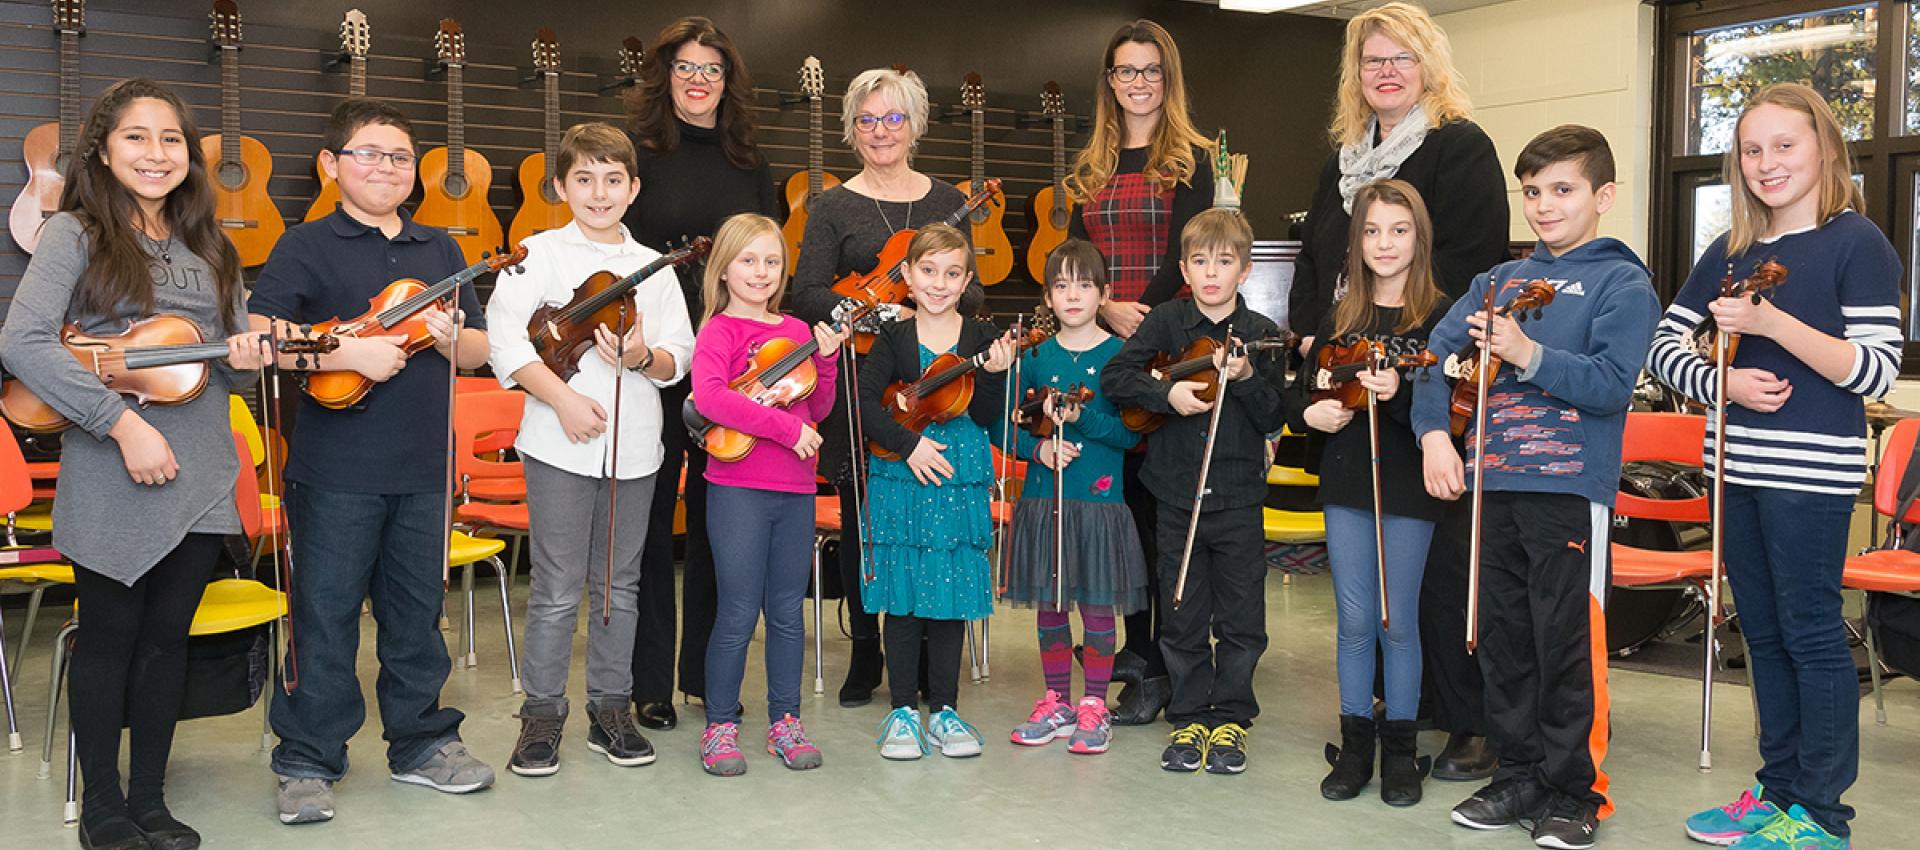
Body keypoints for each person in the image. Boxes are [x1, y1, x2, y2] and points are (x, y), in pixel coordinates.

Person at [0, 77, 270, 850]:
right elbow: (22, 344)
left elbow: (231, 368)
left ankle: (151, 799)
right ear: (103, 150)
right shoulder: (74, 235)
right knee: (110, 638)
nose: (157, 154)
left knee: (166, 644)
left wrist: (250, 355)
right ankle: (104, 807)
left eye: (172, 140)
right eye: (137, 137)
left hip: (203, 471)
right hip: (115, 463)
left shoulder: (212, 249)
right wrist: (119, 425)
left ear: (190, 157)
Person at [1658, 83, 1898, 850]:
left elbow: (1875, 372)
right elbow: (1662, 348)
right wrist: (1721, 381)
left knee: (1811, 633)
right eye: (1752, 150)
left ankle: (1823, 816)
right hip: (1734, 466)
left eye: (1784, 145)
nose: (1767, 164)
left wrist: (1770, 324)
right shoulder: (1731, 251)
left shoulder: (1858, 242)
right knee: (1760, 632)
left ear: (1825, 148)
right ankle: (1779, 791)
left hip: (1809, 474)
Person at [1411, 125, 1660, 849]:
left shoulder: (1623, 282)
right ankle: (1518, 771)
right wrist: (1433, 432)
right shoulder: (1496, 281)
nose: (1544, 206)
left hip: (1568, 490)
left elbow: (1612, 386)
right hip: (1495, 487)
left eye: (1562, 190)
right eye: (1532, 192)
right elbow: (1434, 357)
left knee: (1566, 646)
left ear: (1602, 196)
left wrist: (1528, 353)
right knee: (1505, 642)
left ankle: (1575, 791)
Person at [250, 97, 492, 825]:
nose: (387, 168)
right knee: (323, 617)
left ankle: (421, 744)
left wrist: (451, 337)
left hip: (422, 466)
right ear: (331, 165)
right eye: (369, 153)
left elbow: (479, 351)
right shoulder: (305, 244)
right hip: (333, 469)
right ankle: (306, 759)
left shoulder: (440, 249)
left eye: (399, 157)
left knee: (417, 618)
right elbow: (264, 334)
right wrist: (346, 351)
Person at [1289, 2, 1511, 778]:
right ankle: (1384, 720)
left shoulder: (1461, 146)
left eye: (1401, 59)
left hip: (1427, 382)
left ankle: (1465, 721)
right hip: (1348, 382)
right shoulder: (1344, 157)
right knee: (1366, 595)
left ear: (1429, 67)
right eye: (1371, 61)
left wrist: (1406, 344)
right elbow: (1319, 260)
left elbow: (1473, 265)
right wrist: (1321, 338)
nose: (1385, 72)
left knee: (1440, 571)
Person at [485, 122, 695, 778]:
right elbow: (506, 341)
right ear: (560, 186)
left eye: (612, 180)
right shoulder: (538, 253)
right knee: (553, 588)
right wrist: (564, 401)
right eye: (583, 179)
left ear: (632, 189)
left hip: (634, 450)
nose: (598, 193)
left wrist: (644, 355)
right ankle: (542, 715)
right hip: (555, 445)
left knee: (618, 586)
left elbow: (678, 355)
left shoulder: (653, 268)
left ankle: (612, 709)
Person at [788, 66, 981, 708]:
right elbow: (807, 290)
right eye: (867, 120)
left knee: (932, 514)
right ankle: (868, 649)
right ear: (851, 129)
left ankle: (928, 654)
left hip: (938, 387)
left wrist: (923, 315)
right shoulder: (833, 205)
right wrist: (882, 315)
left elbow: (973, 289)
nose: (880, 131)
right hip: (859, 382)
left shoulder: (945, 199)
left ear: (916, 124)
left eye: (893, 118)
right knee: (865, 519)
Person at [622, 16, 781, 729]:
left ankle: (704, 678)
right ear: (666, 75)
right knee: (652, 523)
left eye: (711, 69)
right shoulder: (636, 154)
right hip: (654, 360)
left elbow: (765, 264)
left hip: (734, 367)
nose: (697, 80)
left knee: (725, 523)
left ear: (727, 80)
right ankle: (650, 681)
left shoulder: (751, 163)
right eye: (685, 67)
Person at [1062, 17, 1216, 726]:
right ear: (1109, 82)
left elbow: (1188, 256)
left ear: (1169, 78)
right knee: (1113, 511)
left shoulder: (1194, 158)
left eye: (1151, 70)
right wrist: (1104, 310)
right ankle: (1133, 653)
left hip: (1165, 348)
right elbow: (1073, 263)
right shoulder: (1087, 166)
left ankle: (1161, 665)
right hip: (1099, 349)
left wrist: (1136, 314)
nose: (1138, 83)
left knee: (1157, 516)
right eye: (1126, 71)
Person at [1101, 208, 1289, 776]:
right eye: (1201, 261)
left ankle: (1229, 715)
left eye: (1225, 262)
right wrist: (1169, 396)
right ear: (1184, 267)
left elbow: (1273, 414)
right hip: (1177, 494)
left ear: (1245, 269)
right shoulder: (1164, 322)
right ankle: (1188, 715)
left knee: (1241, 615)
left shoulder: (1260, 336)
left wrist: (1250, 381)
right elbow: (1117, 379)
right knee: (1180, 612)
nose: (1212, 272)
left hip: (1236, 496)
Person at [1291, 179, 1450, 806]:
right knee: (1355, 619)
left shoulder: (1441, 315)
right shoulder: (1339, 317)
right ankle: (1356, 744)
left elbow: (1451, 404)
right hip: (1348, 477)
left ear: (1420, 237)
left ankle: (1403, 753)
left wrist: (1401, 395)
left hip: (1407, 482)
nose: (1385, 244)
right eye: (1373, 230)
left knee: (1396, 621)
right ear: (1356, 240)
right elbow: (1303, 391)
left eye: (1399, 230)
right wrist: (1311, 414)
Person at [688, 213, 846, 776]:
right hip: (738, 490)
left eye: (772, 261)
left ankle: (786, 721)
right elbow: (710, 398)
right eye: (749, 260)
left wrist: (825, 362)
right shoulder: (720, 332)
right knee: (735, 611)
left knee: (785, 613)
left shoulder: (799, 332)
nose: (761, 271)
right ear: (725, 269)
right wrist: (785, 431)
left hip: (796, 490)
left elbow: (817, 409)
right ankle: (721, 727)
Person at [859, 224, 1015, 760]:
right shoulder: (893, 338)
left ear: (967, 279)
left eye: (952, 274)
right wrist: (909, 446)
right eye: (928, 271)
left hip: (957, 476)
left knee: (948, 598)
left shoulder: (979, 339)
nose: (939, 283)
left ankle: (945, 711)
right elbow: (864, 405)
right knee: (903, 600)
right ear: (907, 275)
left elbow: (989, 415)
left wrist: (996, 374)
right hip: (902, 477)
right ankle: (903, 711)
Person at [1003, 239, 1147, 757]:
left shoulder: (1120, 357)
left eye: (1084, 285)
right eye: (1061, 285)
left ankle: (1094, 706)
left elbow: (1132, 435)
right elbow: (1007, 425)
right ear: (1047, 295)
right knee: (1051, 605)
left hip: (1099, 503)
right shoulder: (1036, 359)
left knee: (1097, 607)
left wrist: (1083, 418)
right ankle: (1057, 702)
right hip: (1047, 502)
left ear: (1104, 293)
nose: (1073, 295)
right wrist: (1037, 449)